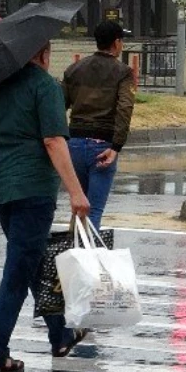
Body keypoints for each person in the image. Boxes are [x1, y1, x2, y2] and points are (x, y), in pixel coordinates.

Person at [0, 42, 91, 372]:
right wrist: (76, 192)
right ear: (43, 53)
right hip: (33, 188)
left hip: (0, 184)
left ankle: (61, 335)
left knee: (34, 260)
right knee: (18, 271)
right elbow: (54, 141)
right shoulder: (45, 86)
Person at [63, 20, 135, 230]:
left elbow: (59, 105)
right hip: (102, 145)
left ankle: (74, 253)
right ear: (116, 43)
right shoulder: (122, 72)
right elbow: (125, 109)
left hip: (74, 142)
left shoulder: (74, 69)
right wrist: (116, 146)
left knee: (79, 207)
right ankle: (87, 255)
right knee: (94, 210)